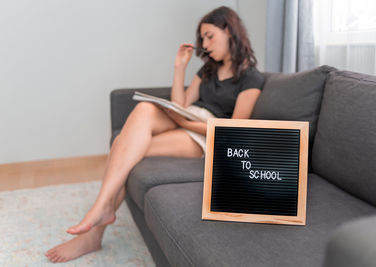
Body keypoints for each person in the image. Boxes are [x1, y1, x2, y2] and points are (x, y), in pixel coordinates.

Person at [45, 5, 265, 263]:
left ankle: (96, 223)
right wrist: (178, 68)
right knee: (144, 109)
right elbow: (181, 105)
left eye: (210, 36)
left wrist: (184, 122)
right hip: (189, 118)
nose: (204, 44)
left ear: (230, 31)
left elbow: (234, 129)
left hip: (209, 135)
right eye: (202, 38)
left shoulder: (251, 77)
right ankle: (102, 211)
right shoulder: (207, 70)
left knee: (124, 148)